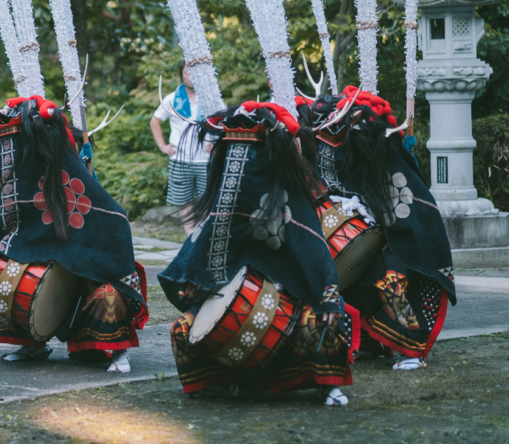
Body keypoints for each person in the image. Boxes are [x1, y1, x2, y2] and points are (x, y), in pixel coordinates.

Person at [161, 102, 354, 407]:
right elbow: (200, 250)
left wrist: (327, 294)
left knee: (326, 320)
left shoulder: (286, 192)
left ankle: (326, 384)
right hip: (234, 289)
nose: (241, 163)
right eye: (234, 153)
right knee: (182, 329)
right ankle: (222, 382)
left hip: (289, 293)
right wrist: (195, 286)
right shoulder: (225, 199)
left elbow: (311, 248)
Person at [0, 96, 148, 374]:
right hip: (48, 267)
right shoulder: (22, 185)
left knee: (108, 294)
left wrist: (85, 257)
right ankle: (33, 343)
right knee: (6, 270)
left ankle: (117, 350)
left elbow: (114, 227)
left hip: (88, 279)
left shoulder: (75, 179)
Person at [312, 87, 455, 371]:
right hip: (363, 230)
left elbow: (407, 198)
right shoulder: (328, 138)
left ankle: (413, 348)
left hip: (399, 232)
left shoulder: (380, 142)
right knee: (352, 286)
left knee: (389, 281)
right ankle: (370, 344)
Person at [151, 63, 209, 233]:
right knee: (183, 200)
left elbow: (222, 123)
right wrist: (162, 146)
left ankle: (203, 235)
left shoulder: (210, 98)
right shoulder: (171, 99)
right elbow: (155, 121)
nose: (191, 77)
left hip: (205, 160)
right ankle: (190, 236)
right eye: (187, 73)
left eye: (194, 73)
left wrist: (216, 143)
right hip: (179, 159)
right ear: (182, 75)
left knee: (207, 199)